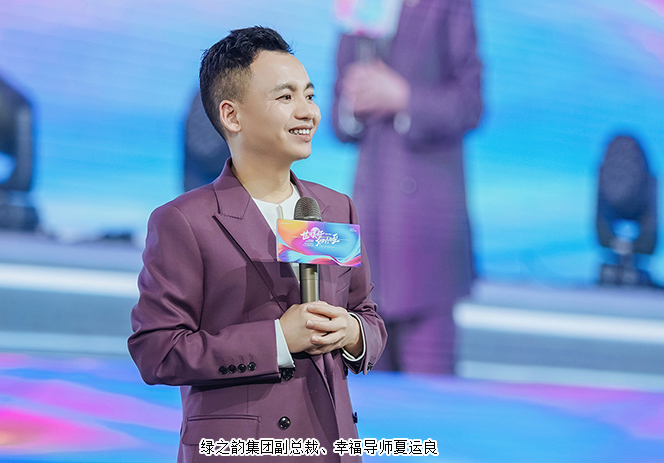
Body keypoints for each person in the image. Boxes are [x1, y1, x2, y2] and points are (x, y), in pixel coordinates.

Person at [128, 26, 386, 462]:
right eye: (285, 97)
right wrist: (278, 339)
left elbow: (368, 315)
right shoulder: (184, 221)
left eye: (310, 95)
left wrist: (352, 332)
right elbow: (157, 351)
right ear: (232, 116)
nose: (307, 112)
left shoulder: (334, 208)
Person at [332, 0, 482, 374]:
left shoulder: (449, 5)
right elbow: (338, 113)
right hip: (371, 229)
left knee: (429, 393)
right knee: (368, 393)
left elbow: (470, 103)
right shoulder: (358, 7)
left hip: (427, 236)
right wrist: (352, 105)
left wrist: (403, 98)